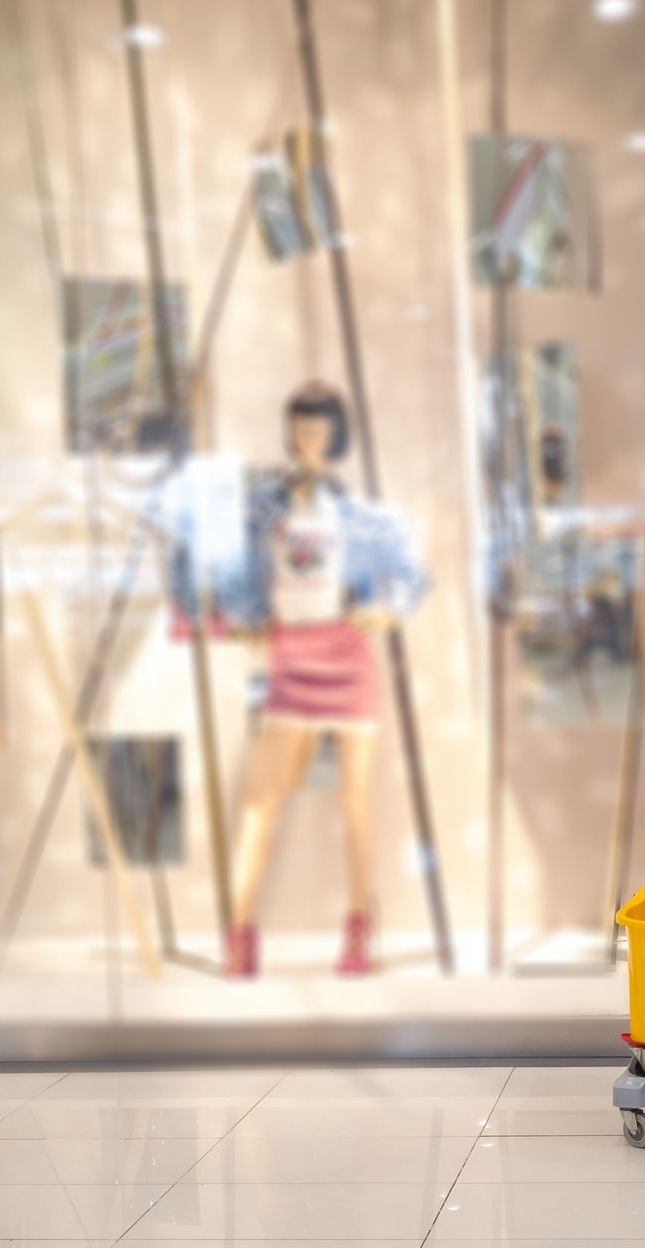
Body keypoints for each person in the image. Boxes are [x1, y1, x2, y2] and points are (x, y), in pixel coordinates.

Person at [179, 381, 427, 978]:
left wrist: (389, 609)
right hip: (292, 655)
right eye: (299, 428)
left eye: (317, 428)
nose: (307, 439)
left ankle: (359, 929)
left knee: (356, 803)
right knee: (261, 802)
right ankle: (239, 933)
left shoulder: (356, 512)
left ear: (336, 434)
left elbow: (411, 573)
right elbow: (225, 565)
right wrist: (241, 619)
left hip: (346, 654)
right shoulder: (266, 503)